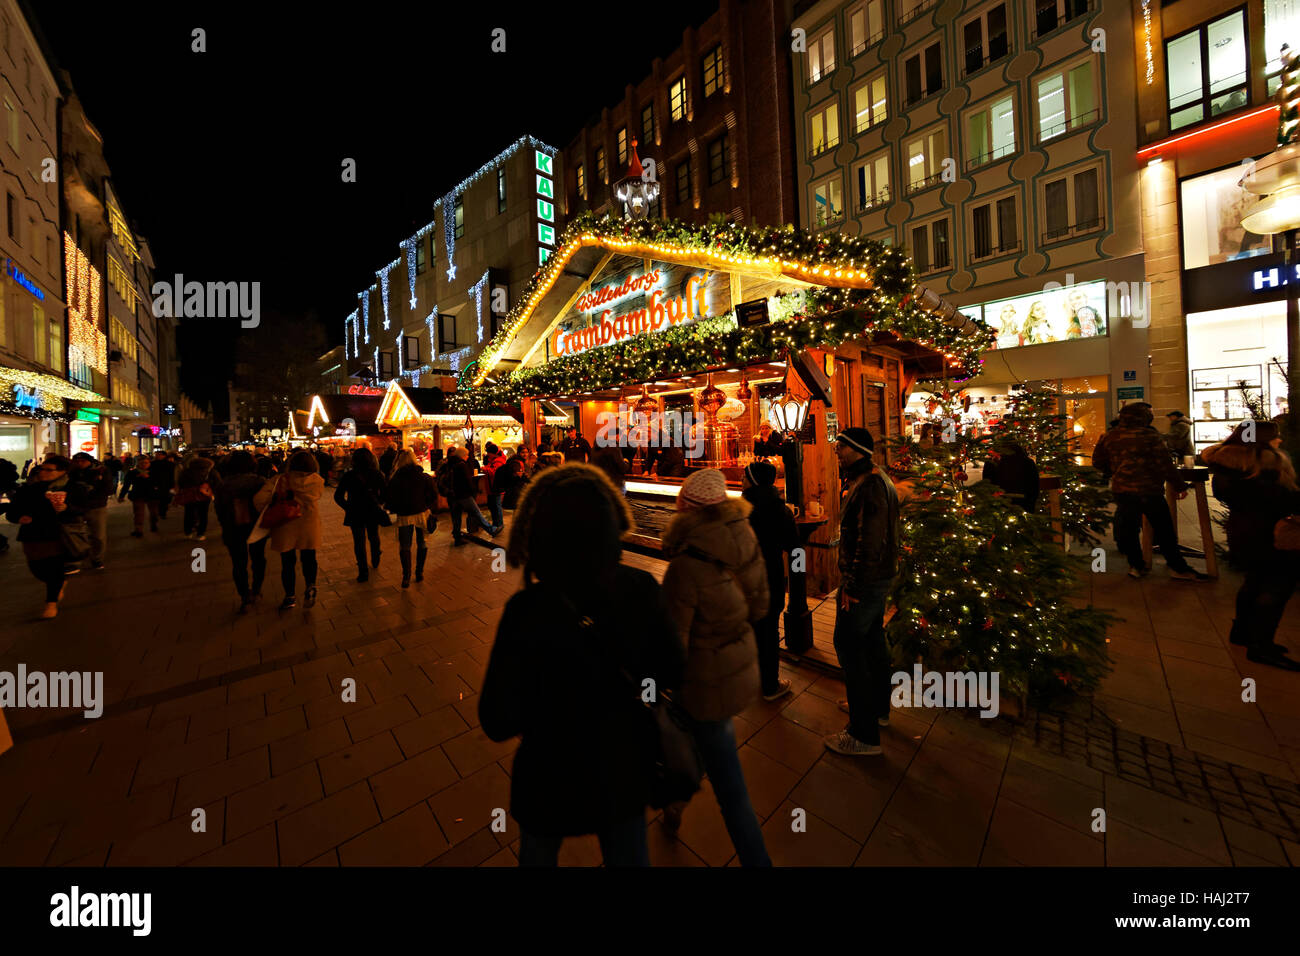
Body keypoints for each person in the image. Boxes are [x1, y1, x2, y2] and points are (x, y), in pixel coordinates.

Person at [479, 464, 685, 867]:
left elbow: (497, 718)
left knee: (538, 854)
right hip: (622, 768)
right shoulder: (639, 589)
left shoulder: (527, 610)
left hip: (548, 776)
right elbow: (673, 669)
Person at [660, 467, 772, 866]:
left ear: (687, 510)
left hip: (703, 683)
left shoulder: (685, 565)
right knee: (702, 746)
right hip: (740, 666)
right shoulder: (746, 535)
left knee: (731, 790)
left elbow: (672, 643)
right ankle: (674, 804)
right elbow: (761, 606)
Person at [826, 427, 900, 757]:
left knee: (848, 645)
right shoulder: (872, 477)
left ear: (856, 449)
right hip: (877, 578)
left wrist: (853, 586)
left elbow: (869, 541)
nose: (836, 451)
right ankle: (877, 709)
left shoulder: (868, 485)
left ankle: (862, 734)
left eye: (841, 446)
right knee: (871, 642)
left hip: (865, 581)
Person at [1202, 421, 1300, 671]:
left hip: (1242, 530)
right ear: (1262, 440)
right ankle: (1261, 646)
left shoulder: (1228, 462)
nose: (1279, 441)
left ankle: (1242, 633)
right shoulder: (1264, 465)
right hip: (1270, 532)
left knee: (1254, 581)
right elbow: (1280, 499)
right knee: (1277, 586)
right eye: (1275, 437)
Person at [1092, 402, 1209, 581]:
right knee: (1164, 530)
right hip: (1150, 491)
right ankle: (1177, 567)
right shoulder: (1150, 436)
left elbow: (1098, 462)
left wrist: (1115, 471)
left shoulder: (1110, 436)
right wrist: (1180, 486)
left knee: (1129, 530)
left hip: (1123, 491)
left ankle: (1136, 566)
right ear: (1144, 417)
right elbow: (1165, 464)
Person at [741, 460, 799, 702]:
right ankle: (770, 685)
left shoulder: (739, 509)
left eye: (745, 477)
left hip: (744, 579)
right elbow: (795, 547)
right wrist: (798, 575)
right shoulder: (780, 510)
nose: (741, 480)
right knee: (769, 631)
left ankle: (754, 677)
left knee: (752, 627)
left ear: (753, 480)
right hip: (771, 576)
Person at [7, 455, 90, 619]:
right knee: (37, 569)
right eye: (41, 469)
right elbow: (12, 511)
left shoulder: (73, 487)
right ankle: (59, 584)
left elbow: (83, 509)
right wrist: (18, 518)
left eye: (48, 470)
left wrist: (67, 507)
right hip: (32, 535)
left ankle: (51, 604)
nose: (42, 473)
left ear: (62, 472)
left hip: (58, 533)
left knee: (54, 569)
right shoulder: (29, 489)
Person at [254, 450, 324, 610]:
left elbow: (258, 499)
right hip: (308, 525)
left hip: (285, 525)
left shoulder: (279, 480)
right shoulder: (317, 481)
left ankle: (290, 596)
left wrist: (270, 506)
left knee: (288, 562)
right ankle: (310, 585)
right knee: (309, 557)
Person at [214, 450, 269, 612]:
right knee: (259, 558)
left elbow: (219, 508)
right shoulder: (259, 481)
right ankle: (257, 589)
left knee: (238, 563)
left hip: (232, 527)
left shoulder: (223, 484)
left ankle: (245, 595)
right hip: (257, 526)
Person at [334, 447, 388, 582]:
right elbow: (385, 493)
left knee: (359, 541)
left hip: (355, 511)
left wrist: (347, 507)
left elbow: (338, 496)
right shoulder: (377, 474)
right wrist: (379, 502)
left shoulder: (349, 476)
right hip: (372, 510)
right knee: (373, 535)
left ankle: (363, 571)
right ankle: (375, 556)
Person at [386, 449, 438, 588]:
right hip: (422, 513)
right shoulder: (423, 476)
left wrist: (395, 509)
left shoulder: (395, 478)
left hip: (404, 516)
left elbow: (389, 498)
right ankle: (419, 572)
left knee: (405, 546)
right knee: (422, 543)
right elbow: (433, 494)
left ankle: (406, 576)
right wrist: (426, 505)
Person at [70, 453, 114, 569]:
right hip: (76, 506)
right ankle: (76, 559)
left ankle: (97, 559)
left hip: (96, 507)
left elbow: (108, 488)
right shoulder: (72, 472)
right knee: (75, 534)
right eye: (77, 461)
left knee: (98, 535)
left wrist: (91, 494)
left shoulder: (101, 470)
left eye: (83, 461)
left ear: (89, 461)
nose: (80, 463)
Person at [447, 445, 498, 544]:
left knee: (456, 517)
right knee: (476, 512)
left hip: (453, 495)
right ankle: (491, 530)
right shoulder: (462, 464)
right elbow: (467, 480)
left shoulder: (450, 463)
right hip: (464, 494)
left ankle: (457, 537)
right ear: (462, 455)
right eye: (466, 455)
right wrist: (474, 490)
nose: (467, 457)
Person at [982, 439, 1040, 511]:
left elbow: (986, 485)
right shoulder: (1027, 462)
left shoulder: (991, 463)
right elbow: (1034, 486)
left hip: (999, 505)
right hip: (1024, 505)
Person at [177, 453, 217, 540]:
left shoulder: (187, 471)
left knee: (189, 512)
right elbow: (217, 481)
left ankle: (188, 532)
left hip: (190, 494)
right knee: (203, 514)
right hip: (204, 494)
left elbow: (181, 482)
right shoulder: (210, 471)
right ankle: (200, 534)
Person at [119, 455, 161, 536]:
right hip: (138, 494)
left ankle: (153, 524)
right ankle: (138, 530)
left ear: (149, 463)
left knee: (154, 513)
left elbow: (160, 482)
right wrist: (121, 495)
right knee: (138, 513)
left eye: (146, 463)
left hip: (152, 495)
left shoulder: (154, 472)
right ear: (138, 463)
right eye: (142, 463)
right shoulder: (132, 473)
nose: (144, 465)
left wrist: (149, 478)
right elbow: (126, 485)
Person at [482, 442, 508, 529]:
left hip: (495, 487)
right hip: (492, 487)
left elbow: (493, 472)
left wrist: (484, 469)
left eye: (489, 453)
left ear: (492, 453)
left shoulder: (499, 462)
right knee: (493, 506)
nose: (488, 455)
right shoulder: (494, 461)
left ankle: (499, 524)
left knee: (496, 506)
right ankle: (496, 523)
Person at [149, 451, 176, 520]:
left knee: (165, 498)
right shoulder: (152, 463)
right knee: (159, 499)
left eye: (160, 455)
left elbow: (172, 475)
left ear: (164, 456)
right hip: (155, 483)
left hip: (166, 483)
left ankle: (163, 511)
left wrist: (173, 484)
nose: (158, 456)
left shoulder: (170, 464)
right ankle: (160, 512)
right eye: (157, 454)